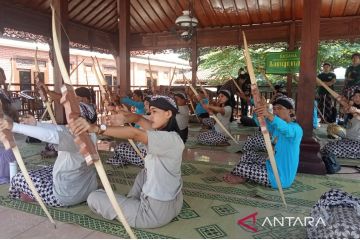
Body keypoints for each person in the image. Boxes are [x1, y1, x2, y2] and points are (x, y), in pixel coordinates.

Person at [68, 95, 184, 228]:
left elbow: (136, 133)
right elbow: (140, 119)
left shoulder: (169, 139)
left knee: (94, 197)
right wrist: (126, 117)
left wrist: (97, 128)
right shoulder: (169, 135)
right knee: (144, 174)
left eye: (154, 111)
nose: (150, 116)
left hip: (153, 213)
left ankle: (133, 206)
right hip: (174, 204)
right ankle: (131, 203)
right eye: (150, 112)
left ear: (168, 113)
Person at [0, 98, 98, 207]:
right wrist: (36, 124)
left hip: (64, 196)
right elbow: (60, 129)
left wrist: (14, 127)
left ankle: (31, 196)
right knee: (49, 169)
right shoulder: (90, 134)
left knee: (19, 178)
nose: (69, 121)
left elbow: (52, 136)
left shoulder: (78, 138)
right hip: (87, 187)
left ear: (82, 121)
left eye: (73, 118)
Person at [223, 96, 303, 189]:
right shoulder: (277, 127)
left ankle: (242, 176)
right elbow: (263, 123)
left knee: (241, 168)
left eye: (280, 108)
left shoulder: (296, 129)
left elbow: (285, 128)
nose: (276, 111)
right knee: (247, 155)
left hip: (279, 177)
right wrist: (260, 110)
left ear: (290, 111)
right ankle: (244, 176)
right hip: (270, 165)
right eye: (274, 109)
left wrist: (268, 114)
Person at [321, 90, 360, 159]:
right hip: (348, 140)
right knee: (327, 146)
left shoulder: (356, 110)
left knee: (330, 150)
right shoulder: (351, 110)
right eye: (355, 96)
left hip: (357, 144)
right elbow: (343, 108)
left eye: (359, 96)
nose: (357, 98)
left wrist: (356, 110)